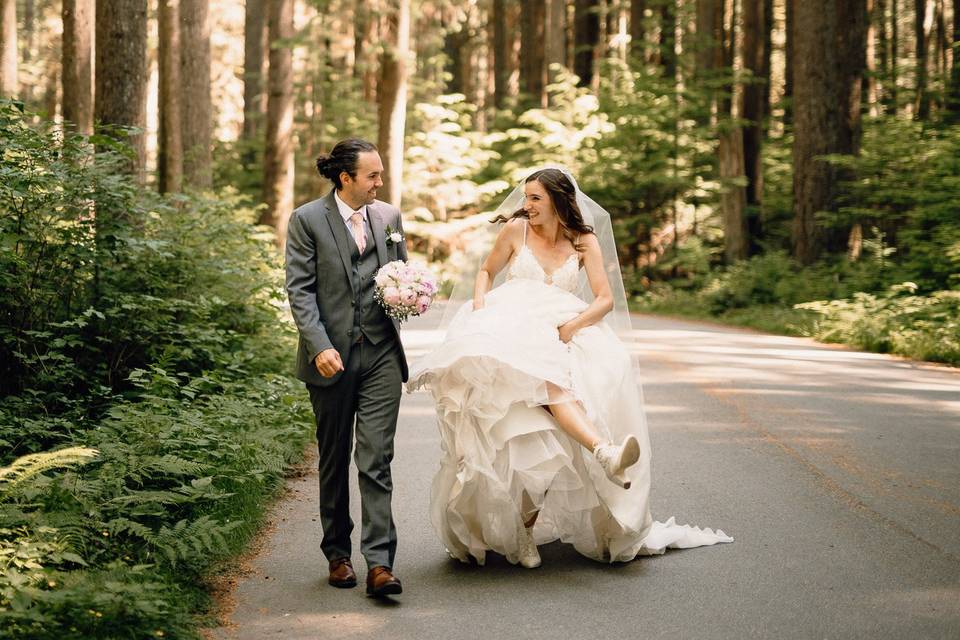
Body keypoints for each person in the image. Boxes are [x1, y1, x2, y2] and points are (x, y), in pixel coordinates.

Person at [407, 167, 732, 568]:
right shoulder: (515, 232)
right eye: (525, 198)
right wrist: (480, 307)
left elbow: (603, 299)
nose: (526, 206)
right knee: (533, 419)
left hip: (559, 327)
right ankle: (602, 454)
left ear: (559, 200)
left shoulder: (583, 241)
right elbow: (488, 271)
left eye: (535, 199)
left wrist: (571, 328)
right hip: (511, 327)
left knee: (545, 436)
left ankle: (534, 524)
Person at [285, 139, 408, 596]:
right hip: (330, 358)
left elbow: (401, 275)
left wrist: (410, 296)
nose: (380, 183)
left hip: (381, 355)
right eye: (373, 176)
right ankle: (338, 554)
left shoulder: (389, 217)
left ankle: (380, 564)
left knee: (376, 458)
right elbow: (300, 290)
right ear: (346, 179)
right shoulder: (307, 220)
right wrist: (318, 346)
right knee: (334, 459)